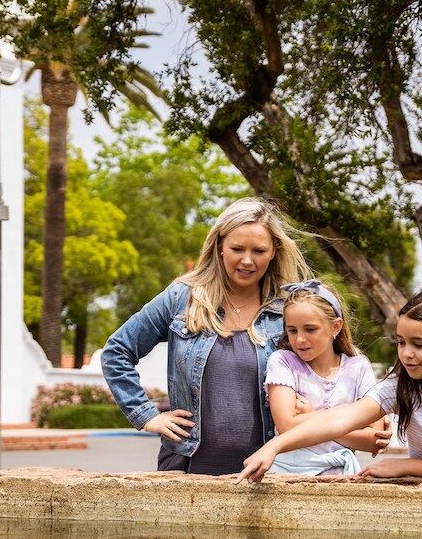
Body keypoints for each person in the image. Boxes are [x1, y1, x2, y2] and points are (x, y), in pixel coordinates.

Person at [102, 197, 310, 475]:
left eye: (259, 250)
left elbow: (328, 365)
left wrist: (357, 421)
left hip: (273, 469)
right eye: (237, 248)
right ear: (220, 246)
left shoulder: (290, 309)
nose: (247, 260)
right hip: (187, 465)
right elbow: (117, 351)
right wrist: (146, 415)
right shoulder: (181, 299)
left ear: (273, 251)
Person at [237, 288, 422, 483]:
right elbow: (339, 420)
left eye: (419, 345)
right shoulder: (400, 386)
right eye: (401, 343)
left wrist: (405, 467)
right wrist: (273, 447)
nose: (407, 354)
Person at [264, 280, 389, 476]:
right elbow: (286, 426)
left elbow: (374, 439)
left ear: (336, 327)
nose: (300, 339)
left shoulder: (358, 366)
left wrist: (312, 414)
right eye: (292, 330)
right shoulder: (283, 362)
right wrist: (347, 416)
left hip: (340, 476)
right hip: (287, 473)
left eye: (310, 329)